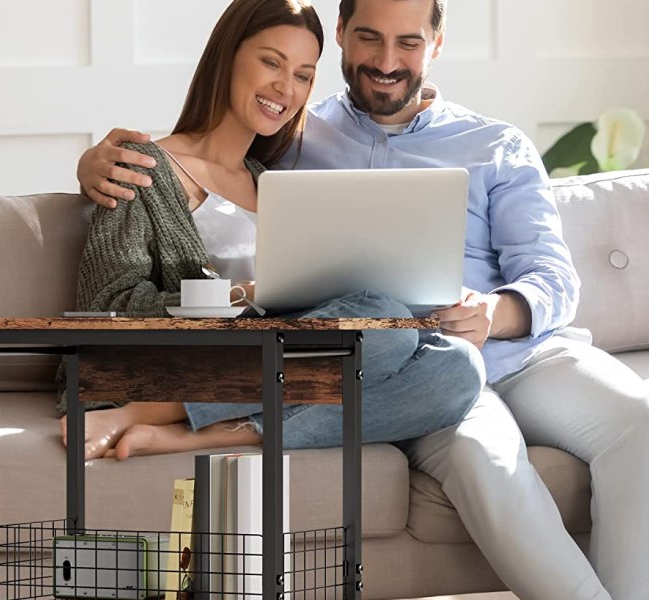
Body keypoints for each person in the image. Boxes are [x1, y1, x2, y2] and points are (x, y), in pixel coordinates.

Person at [77, 1, 649, 599]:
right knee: (458, 417)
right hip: (397, 361)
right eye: (368, 38)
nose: (387, 62)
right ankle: (192, 413)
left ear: (436, 44)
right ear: (341, 35)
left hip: (514, 353)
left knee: (648, 421)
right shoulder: (295, 138)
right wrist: (94, 165)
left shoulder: (495, 145)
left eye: (408, 43)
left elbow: (552, 275)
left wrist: (497, 312)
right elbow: (191, 172)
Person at [62, 0, 484, 470]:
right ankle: (149, 410)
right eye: (271, 62)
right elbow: (105, 310)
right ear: (228, 56)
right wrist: (245, 296)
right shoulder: (140, 167)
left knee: (458, 368)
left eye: (304, 75)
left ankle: (209, 432)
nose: (286, 88)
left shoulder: (275, 179)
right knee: (382, 317)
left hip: (281, 364)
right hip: (184, 364)